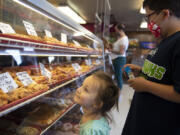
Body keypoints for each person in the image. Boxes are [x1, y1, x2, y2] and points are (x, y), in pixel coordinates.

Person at [122, 0, 180, 135]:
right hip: (144, 119)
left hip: (160, 126)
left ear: (165, 14)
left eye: (149, 16)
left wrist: (146, 85)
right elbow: (166, 74)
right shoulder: (166, 40)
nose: (149, 22)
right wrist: (142, 71)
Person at [109, 24, 129, 90]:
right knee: (118, 76)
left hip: (119, 60)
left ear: (120, 30)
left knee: (118, 76)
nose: (115, 31)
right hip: (118, 59)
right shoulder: (121, 38)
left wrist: (110, 50)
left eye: (116, 30)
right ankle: (119, 89)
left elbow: (121, 52)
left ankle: (119, 91)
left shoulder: (123, 39)